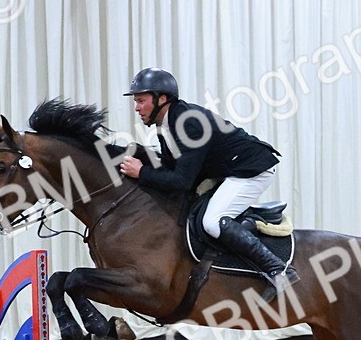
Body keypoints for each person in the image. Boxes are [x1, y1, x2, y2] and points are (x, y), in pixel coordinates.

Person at [118, 68, 299, 300]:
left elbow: (182, 181)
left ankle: (279, 270)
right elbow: (171, 167)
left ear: (161, 99)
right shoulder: (166, 124)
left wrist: (141, 172)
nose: (136, 108)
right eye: (136, 101)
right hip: (227, 169)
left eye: (141, 100)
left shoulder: (188, 123)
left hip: (252, 169)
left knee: (212, 222)